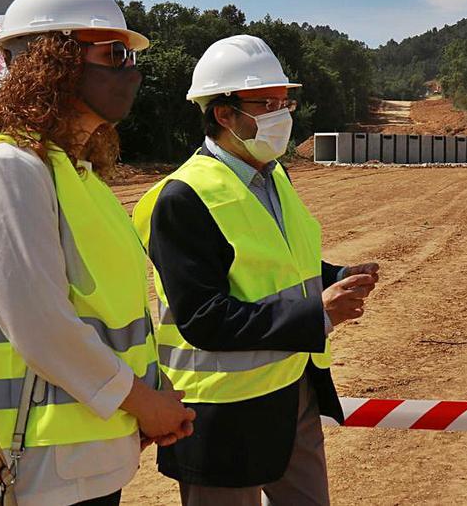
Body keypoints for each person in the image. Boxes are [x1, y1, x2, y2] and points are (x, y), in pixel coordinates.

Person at [0, 0, 194, 505]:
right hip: (27, 462)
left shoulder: (79, 178)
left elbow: (112, 320)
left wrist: (145, 397)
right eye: (112, 52)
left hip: (86, 459)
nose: (130, 70)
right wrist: (143, 402)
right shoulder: (10, 167)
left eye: (129, 55)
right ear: (49, 60)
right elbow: (40, 323)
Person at [132, 34, 378, 505]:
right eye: (266, 103)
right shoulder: (183, 198)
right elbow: (204, 317)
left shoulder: (273, 173)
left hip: (292, 390)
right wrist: (317, 315)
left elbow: (282, 265)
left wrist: (336, 275)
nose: (282, 115)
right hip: (222, 414)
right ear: (223, 114)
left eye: (285, 101)